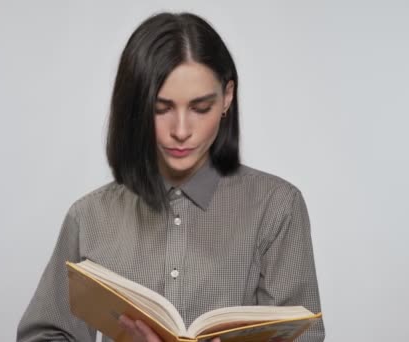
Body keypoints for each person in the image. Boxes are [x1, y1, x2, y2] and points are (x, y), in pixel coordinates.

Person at [17, 11, 325, 342]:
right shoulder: (90, 216)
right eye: (160, 109)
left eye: (200, 108)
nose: (181, 131)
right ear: (135, 106)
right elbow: (44, 335)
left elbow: (301, 336)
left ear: (227, 98)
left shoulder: (277, 207)